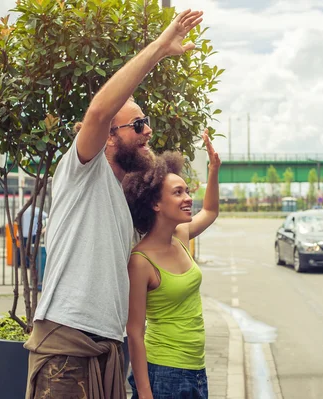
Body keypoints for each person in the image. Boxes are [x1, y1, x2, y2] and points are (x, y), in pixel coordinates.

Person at [24, 9, 204, 399]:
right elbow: (100, 110)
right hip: (66, 344)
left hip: (107, 348)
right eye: (137, 125)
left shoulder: (124, 200)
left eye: (147, 122)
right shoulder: (82, 171)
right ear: (109, 136)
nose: (148, 131)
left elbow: (183, 228)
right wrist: (159, 49)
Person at [124, 129, 221, 399]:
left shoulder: (180, 236)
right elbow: (134, 331)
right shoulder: (140, 261)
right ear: (155, 203)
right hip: (164, 373)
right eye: (178, 193)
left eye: (187, 191)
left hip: (195, 369)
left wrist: (214, 170)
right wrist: (144, 392)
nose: (188, 198)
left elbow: (210, 211)